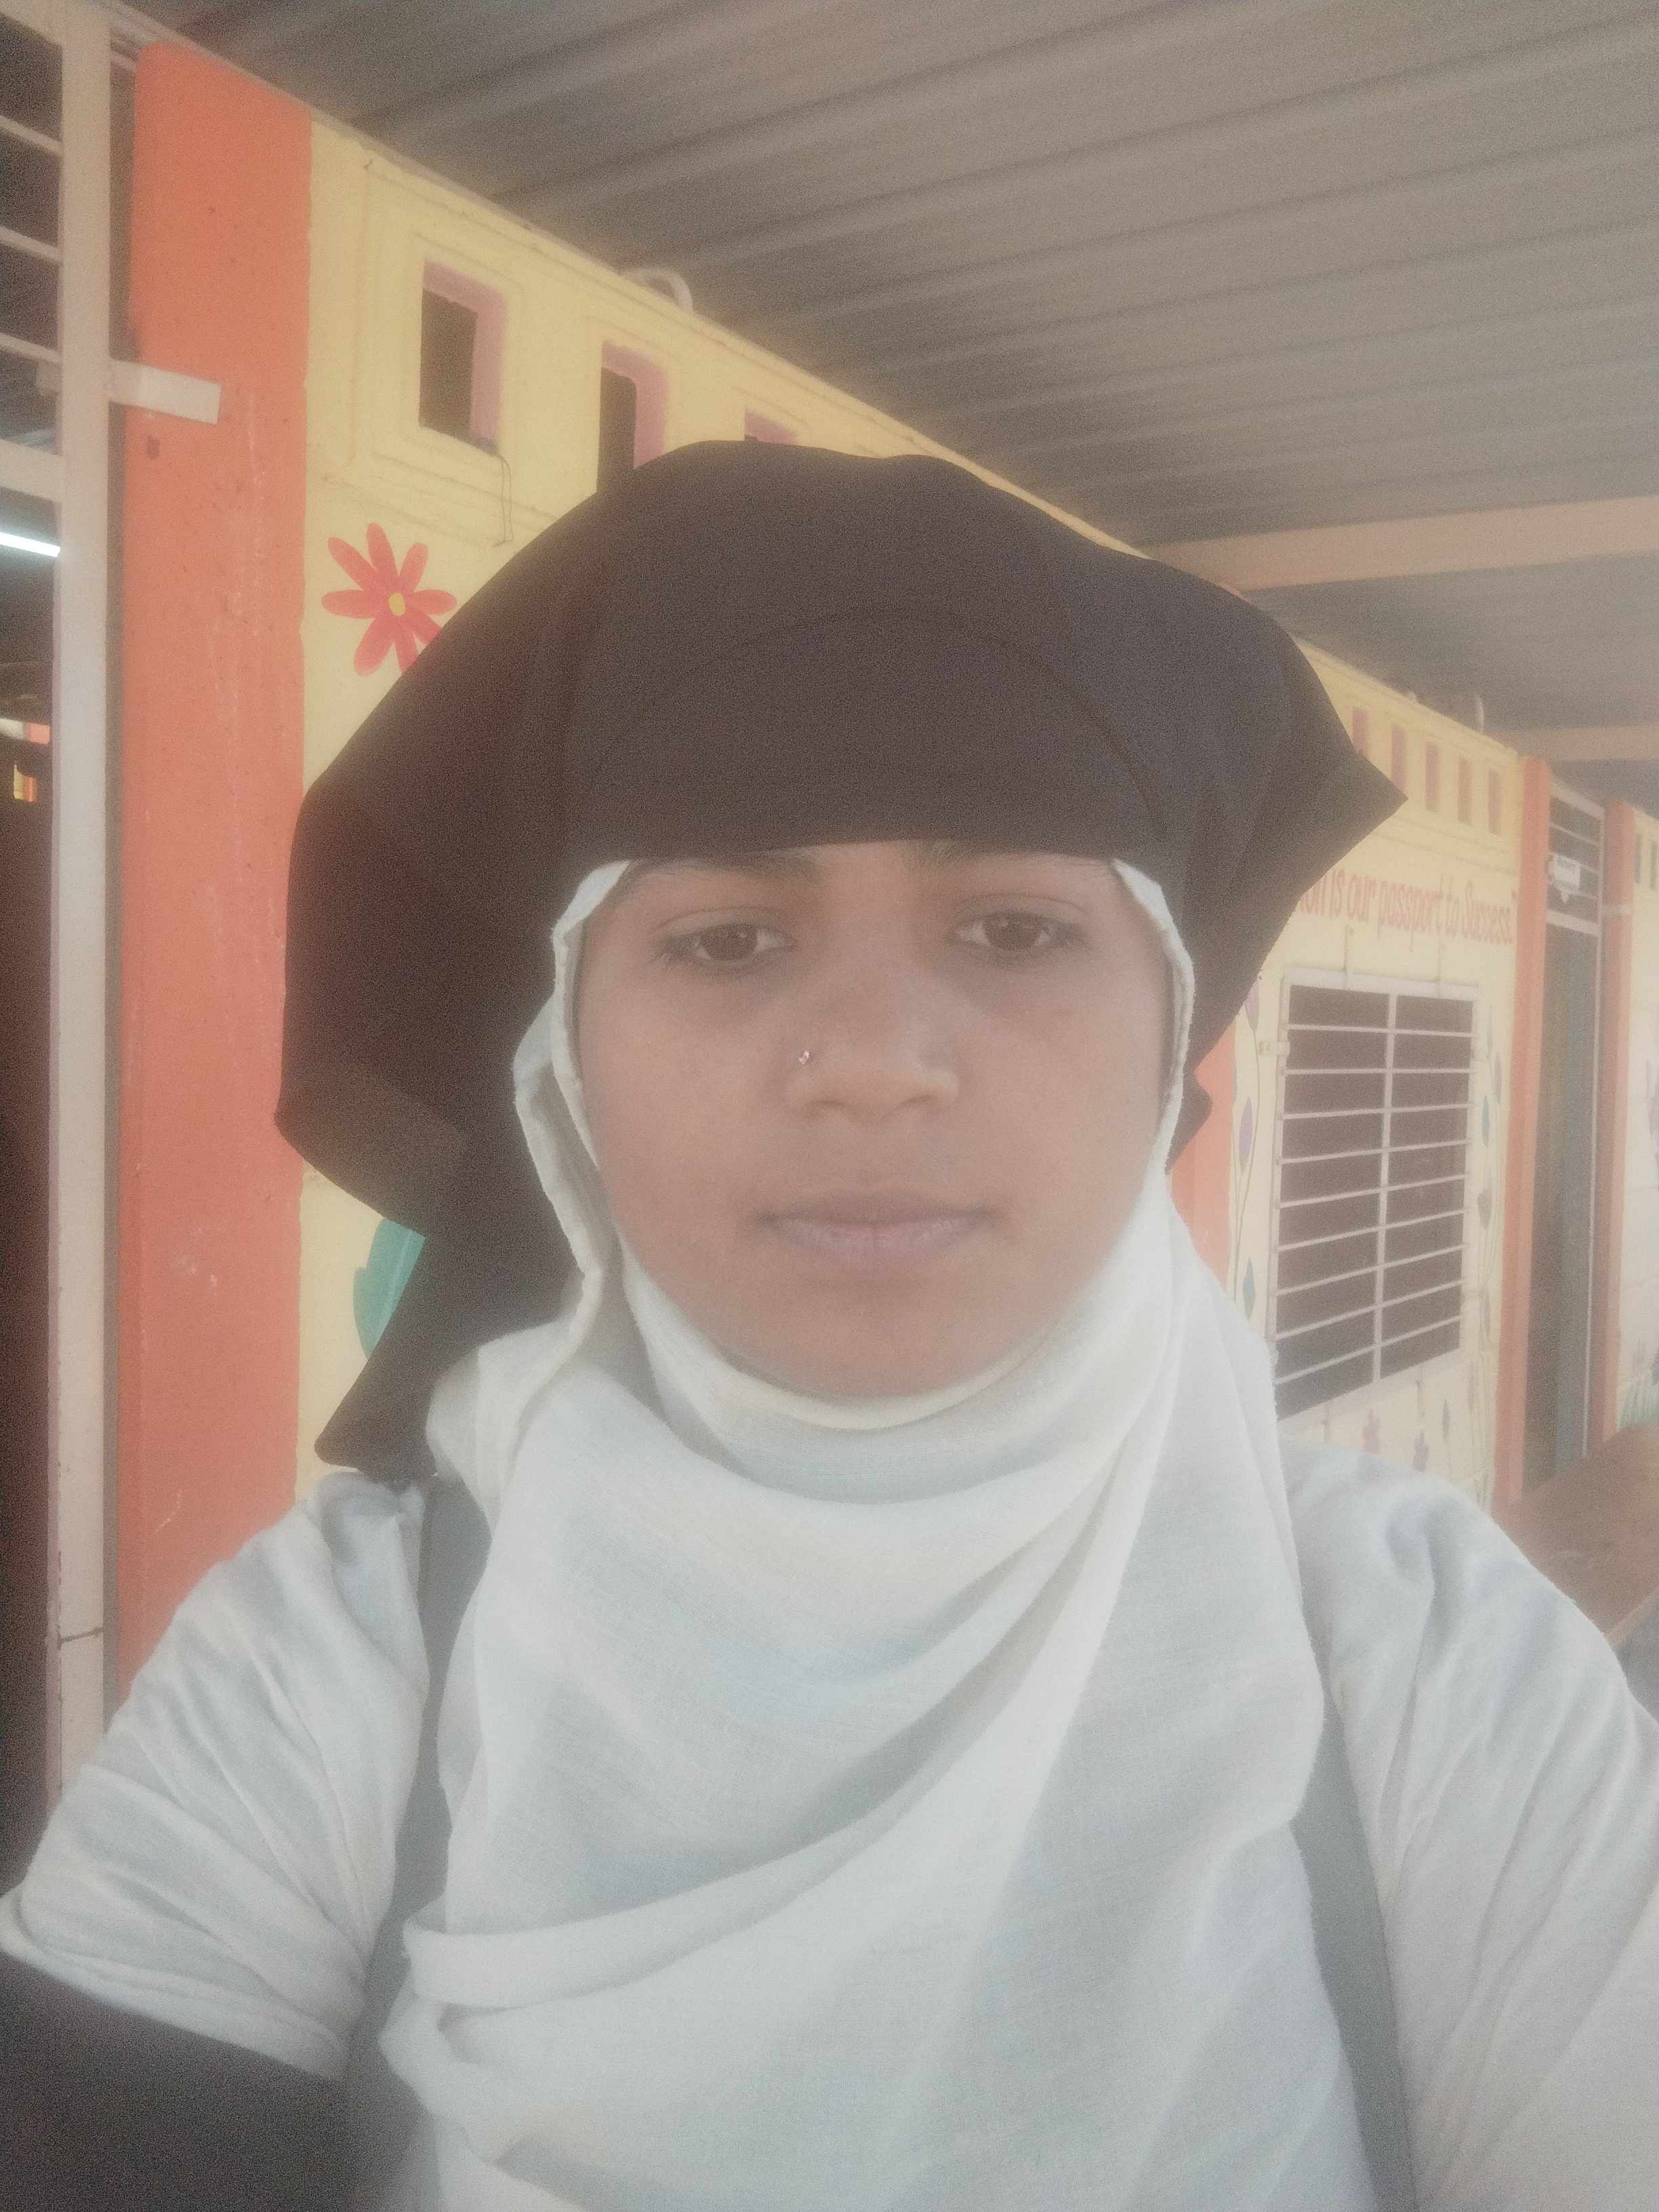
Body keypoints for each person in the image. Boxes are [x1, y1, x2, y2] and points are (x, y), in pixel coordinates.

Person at [3, 443, 1657, 2211]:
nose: (871, 1061)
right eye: (727, 942)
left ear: (1168, 1034)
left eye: (1015, 928)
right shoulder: (328, 1670)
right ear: (569, 1060)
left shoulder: (1431, 1661)